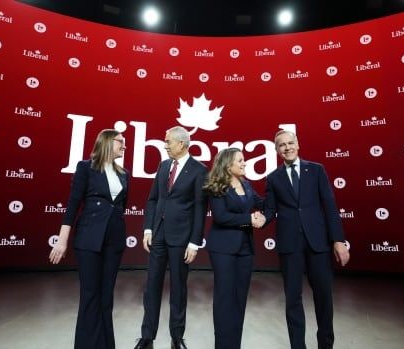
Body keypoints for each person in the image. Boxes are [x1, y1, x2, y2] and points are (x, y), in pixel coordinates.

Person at [264, 130, 350, 349]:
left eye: (290, 143)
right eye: (282, 145)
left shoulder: (317, 170)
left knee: (323, 297)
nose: (287, 148)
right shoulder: (273, 178)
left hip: (318, 243)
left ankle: (326, 345)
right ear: (276, 150)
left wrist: (338, 240)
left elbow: (329, 206)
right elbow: (270, 211)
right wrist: (256, 218)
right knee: (292, 299)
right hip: (289, 245)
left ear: (298, 144)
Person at [49, 129, 129, 349]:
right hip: (89, 238)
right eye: (120, 142)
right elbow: (73, 204)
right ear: (106, 142)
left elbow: (122, 207)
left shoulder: (124, 173)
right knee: (90, 294)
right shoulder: (86, 168)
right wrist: (62, 240)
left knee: (106, 296)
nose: (124, 146)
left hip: (114, 240)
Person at [134, 126, 208, 349]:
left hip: (182, 238)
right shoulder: (164, 165)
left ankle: (177, 337)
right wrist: (148, 229)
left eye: (167, 142)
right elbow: (153, 199)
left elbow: (199, 208)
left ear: (182, 144)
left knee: (178, 287)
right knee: (151, 286)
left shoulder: (199, 170)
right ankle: (147, 337)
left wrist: (194, 242)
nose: (164, 145)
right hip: (158, 236)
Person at [203, 148, 265, 349]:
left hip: (246, 249)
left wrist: (274, 203)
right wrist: (249, 218)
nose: (244, 163)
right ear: (228, 165)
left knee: (239, 300)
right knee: (225, 300)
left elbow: (262, 203)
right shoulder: (217, 187)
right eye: (240, 160)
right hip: (223, 250)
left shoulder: (246, 185)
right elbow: (221, 217)